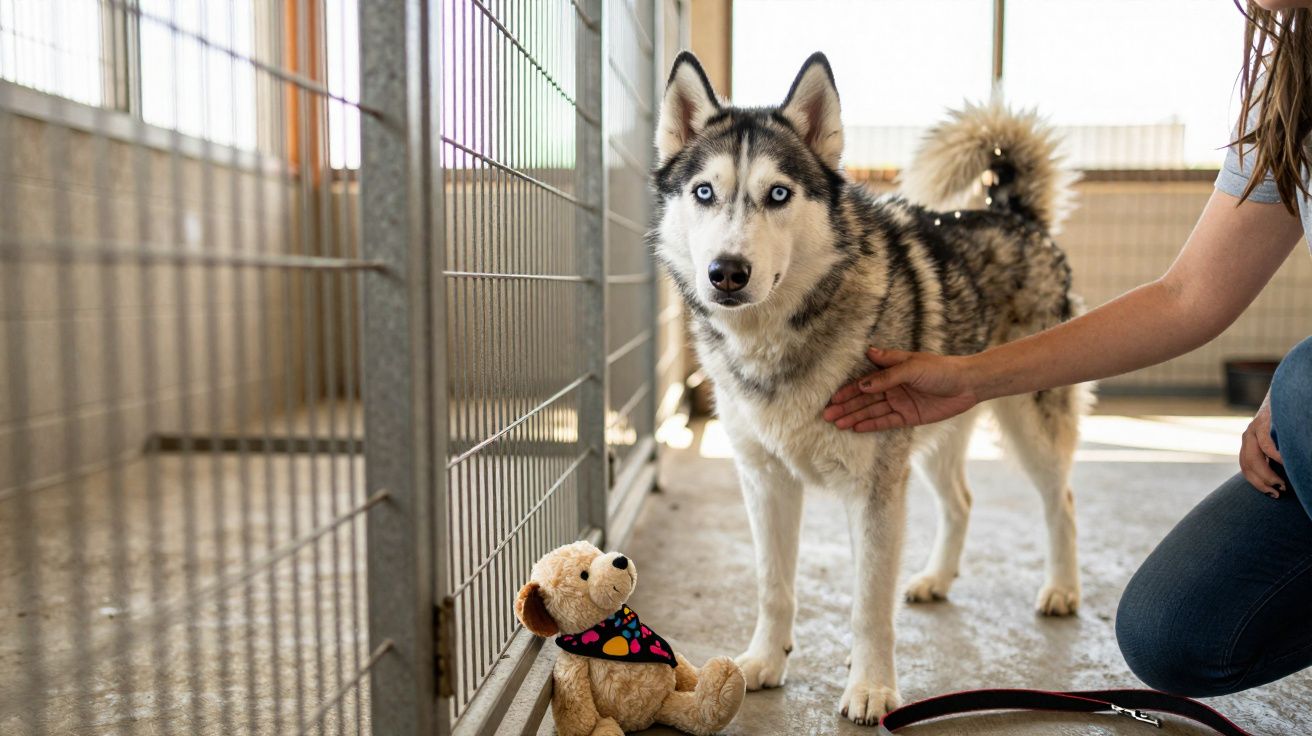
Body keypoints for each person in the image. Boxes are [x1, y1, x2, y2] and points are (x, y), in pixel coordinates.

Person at [822, 0, 1312, 697]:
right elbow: (1185, 296)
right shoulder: (1286, 87)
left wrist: (1298, 386)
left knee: (1303, 383)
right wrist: (972, 376)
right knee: (1166, 636)